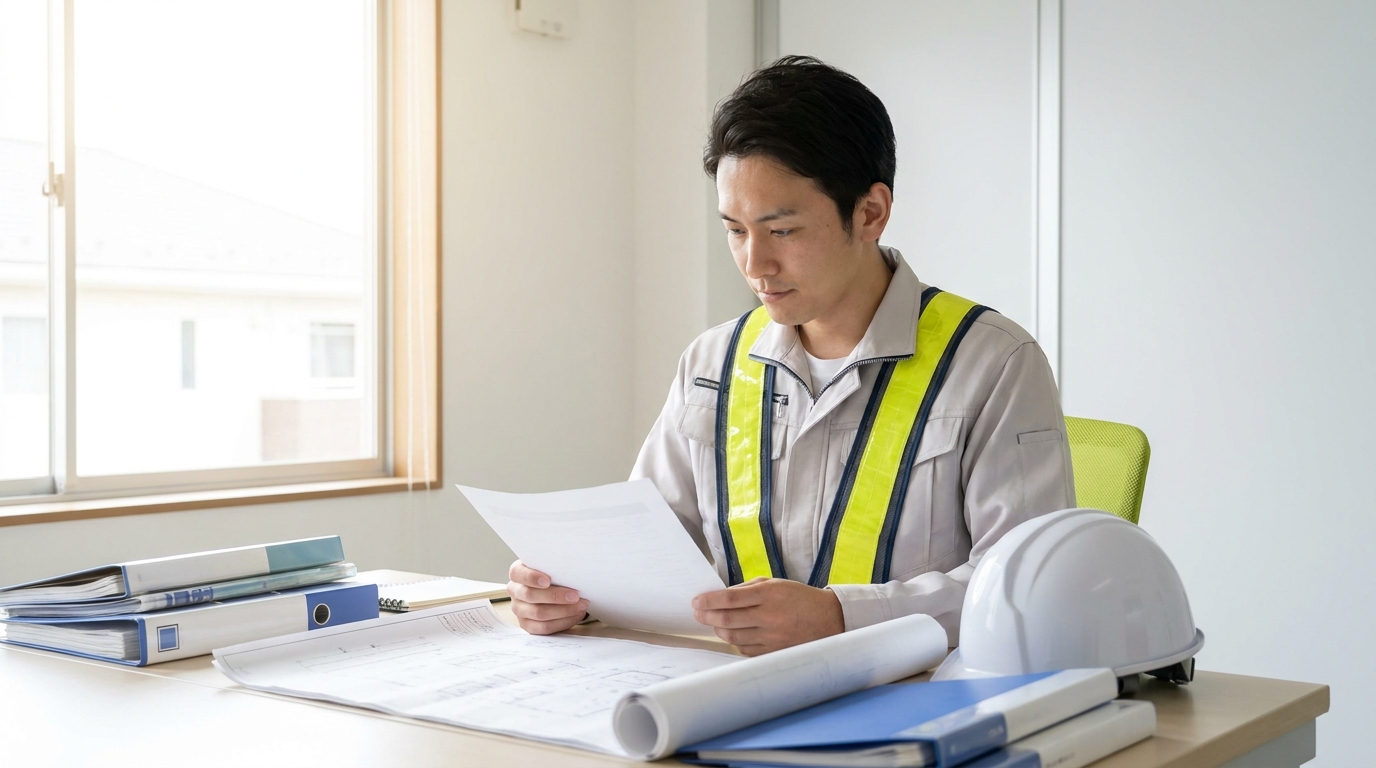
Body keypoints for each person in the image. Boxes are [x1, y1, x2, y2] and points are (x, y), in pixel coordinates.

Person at [507, 56, 1074, 656]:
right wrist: (573, 592)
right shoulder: (713, 364)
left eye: (782, 231)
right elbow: (648, 547)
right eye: (734, 230)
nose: (754, 265)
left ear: (871, 212)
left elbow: (1025, 590)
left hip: (918, 703)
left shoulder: (993, 363)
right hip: (736, 696)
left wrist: (840, 617)